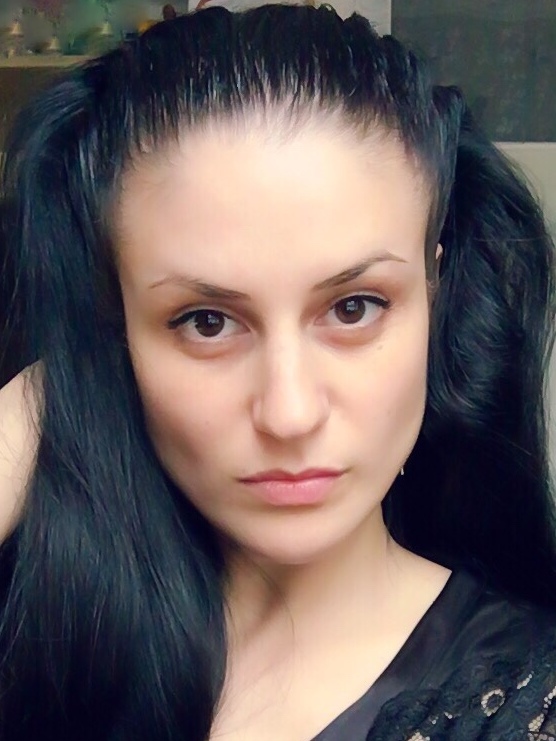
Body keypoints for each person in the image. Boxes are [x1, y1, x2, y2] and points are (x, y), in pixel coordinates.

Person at [0, 4, 556, 739]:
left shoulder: (529, 700)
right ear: (118, 326)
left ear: (434, 288)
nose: (289, 413)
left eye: (354, 308)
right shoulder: (39, 640)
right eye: (206, 322)